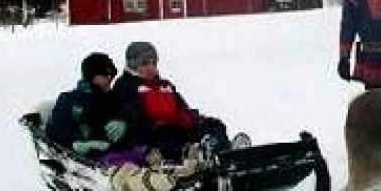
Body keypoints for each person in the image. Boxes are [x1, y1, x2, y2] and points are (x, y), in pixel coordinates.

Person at [112, 42, 248, 164]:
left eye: (154, 63)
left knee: (214, 124)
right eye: (145, 63)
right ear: (133, 65)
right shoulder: (125, 86)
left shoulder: (165, 85)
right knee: (164, 139)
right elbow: (133, 116)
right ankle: (198, 154)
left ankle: (224, 151)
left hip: (177, 127)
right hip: (153, 132)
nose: (151, 67)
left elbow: (182, 107)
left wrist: (192, 117)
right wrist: (164, 122)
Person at [46, 52, 128, 158]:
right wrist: (74, 142)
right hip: (79, 158)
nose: (109, 78)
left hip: (113, 156)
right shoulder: (69, 99)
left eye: (111, 75)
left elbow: (128, 113)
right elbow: (57, 126)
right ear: (91, 76)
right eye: (104, 75)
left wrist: (124, 123)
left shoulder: (113, 98)